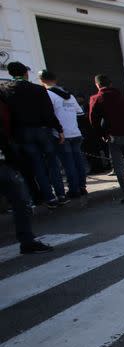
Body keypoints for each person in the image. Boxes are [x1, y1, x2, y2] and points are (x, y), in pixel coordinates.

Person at [0, 61, 65, 208]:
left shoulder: (5, 90)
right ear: (26, 73)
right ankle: (61, 194)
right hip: (42, 130)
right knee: (52, 162)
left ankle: (49, 198)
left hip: (21, 132)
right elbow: (49, 112)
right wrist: (59, 129)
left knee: (37, 165)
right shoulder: (38, 89)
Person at [89, 74, 124, 203]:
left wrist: (102, 134)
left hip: (113, 136)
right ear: (110, 84)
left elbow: (93, 120)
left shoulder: (96, 98)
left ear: (97, 85)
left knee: (119, 167)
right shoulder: (121, 97)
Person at [0, 124, 53, 253]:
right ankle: (27, 241)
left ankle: (27, 241)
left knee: (21, 202)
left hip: (4, 165)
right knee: (21, 201)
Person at [39, 69, 87, 197]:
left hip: (61, 134)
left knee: (68, 163)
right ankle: (82, 187)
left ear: (42, 80)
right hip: (75, 133)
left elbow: (48, 116)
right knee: (78, 161)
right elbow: (80, 113)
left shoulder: (48, 94)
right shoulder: (69, 95)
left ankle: (74, 189)